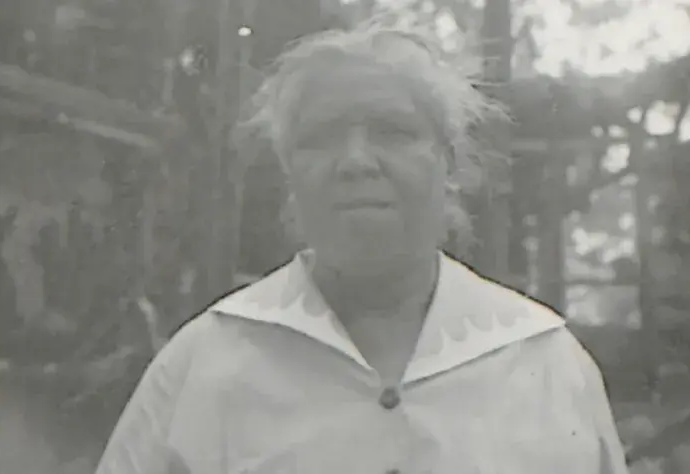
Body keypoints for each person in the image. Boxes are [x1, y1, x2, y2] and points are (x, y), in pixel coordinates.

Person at [95, 17, 629, 474]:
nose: (355, 161)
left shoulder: (545, 362)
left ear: (448, 162)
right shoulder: (204, 365)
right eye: (321, 136)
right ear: (289, 171)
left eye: (392, 131)